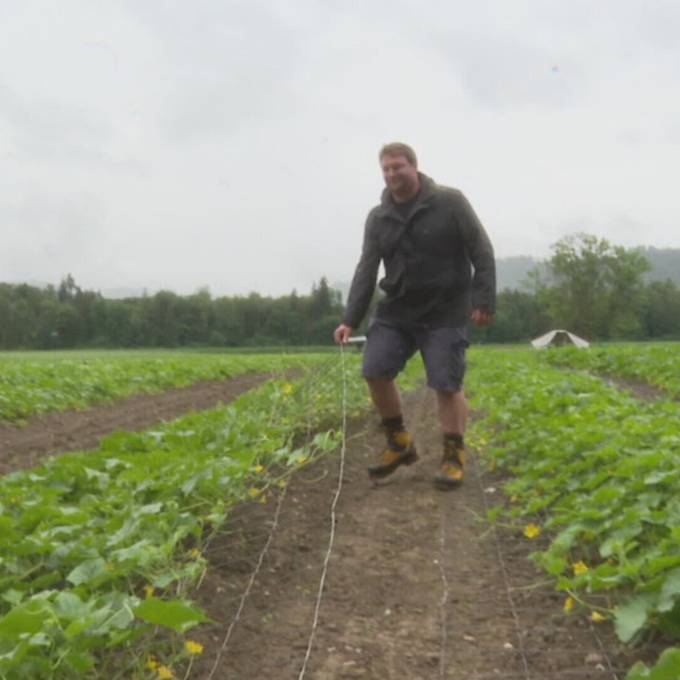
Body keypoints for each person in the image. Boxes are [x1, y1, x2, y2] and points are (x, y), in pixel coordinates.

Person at [333, 142, 496, 488]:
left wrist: (483, 298)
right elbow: (367, 267)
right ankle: (399, 443)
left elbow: (480, 248)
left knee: (445, 384)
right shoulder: (378, 217)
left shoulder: (450, 202)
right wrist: (350, 318)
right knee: (374, 369)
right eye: (386, 169)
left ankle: (453, 456)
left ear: (414, 167)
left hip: (445, 310)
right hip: (398, 309)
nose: (392, 174)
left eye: (398, 167)